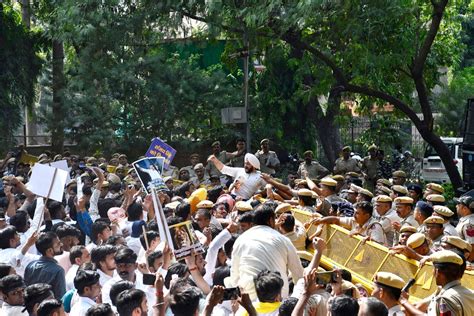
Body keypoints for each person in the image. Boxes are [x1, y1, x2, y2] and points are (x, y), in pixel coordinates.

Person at [228, 204, 303, 300]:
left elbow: (234, 275)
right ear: (271, 220)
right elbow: (299, 276)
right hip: (278, 299)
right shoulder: (283, 240)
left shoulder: (241, 239)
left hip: (249, 299)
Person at [401, 250, 474, 315]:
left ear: (437, 272)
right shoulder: (470, 293)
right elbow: (419, 306)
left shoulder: (445, 299)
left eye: (433, 269)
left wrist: (404, 302)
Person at [311, 201, 386, 245]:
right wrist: (321, 220)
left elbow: (378, 247)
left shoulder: (375, 226)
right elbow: (336, 220)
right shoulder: (354, 220)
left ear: (366, 216)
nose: (354, 215)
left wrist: (360, 236)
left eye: (357, 213)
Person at [24, 232, 66, 299]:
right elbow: (61, 297)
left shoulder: (30, 266)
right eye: (58, 243)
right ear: (50, 250)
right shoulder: (58, 270)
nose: (61, 244)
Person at [454, 196, 474, 261]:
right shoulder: (465, 220)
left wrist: (469, 263)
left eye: (458, 205)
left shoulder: (468, 224)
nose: (456, 206)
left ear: (465, 208)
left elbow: (472, 246)